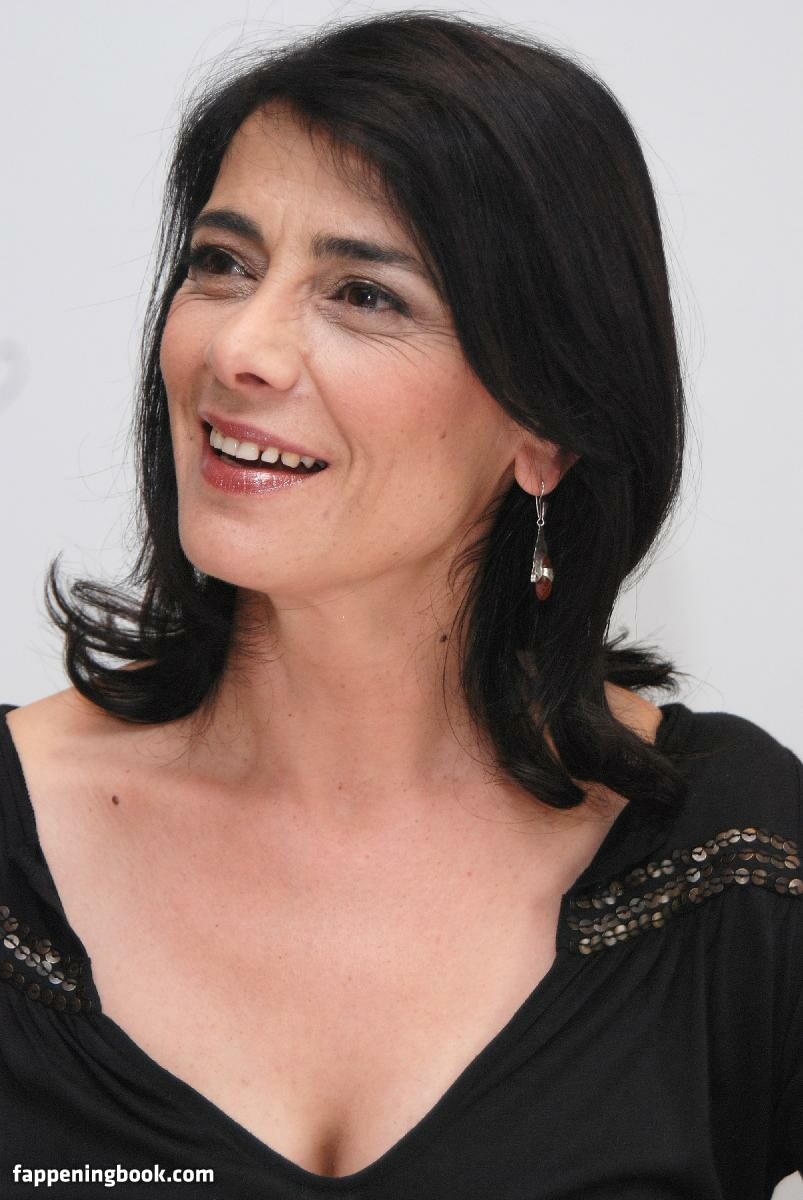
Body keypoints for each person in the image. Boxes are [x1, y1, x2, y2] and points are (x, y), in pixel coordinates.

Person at [1, 10, 800, 1196]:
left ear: (545, 427)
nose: (240, 348)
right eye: (222, 264)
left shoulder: (735, 860)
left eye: (364, 294)